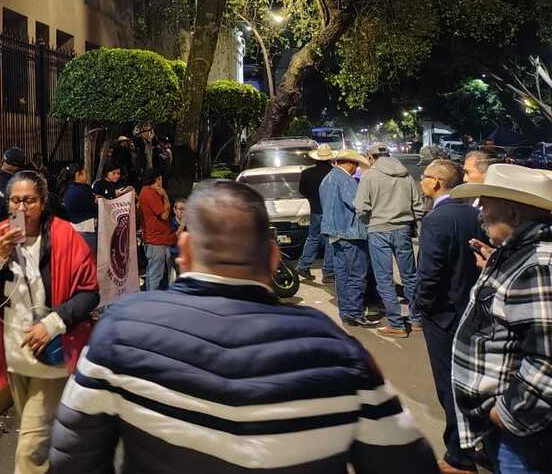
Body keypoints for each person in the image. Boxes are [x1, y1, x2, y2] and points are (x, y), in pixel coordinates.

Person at [50, 179, 438, 472]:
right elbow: (405, 460)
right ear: (272, 257)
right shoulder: (338, 350)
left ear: (183, 252)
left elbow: (72, 455)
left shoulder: (120, 332)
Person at [0, 170, 99, 474]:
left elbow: (89, 292)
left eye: (29, 201)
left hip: (51, 354)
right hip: (13, 354)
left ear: (43, 204)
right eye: (15, 201)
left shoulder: (65, 236)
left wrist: (53, 322)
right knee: (37, 436)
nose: (21, 209)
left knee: (30, 445)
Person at [449, 164, 552, 472]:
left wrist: (506, 414)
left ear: (516, 215)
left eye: (486, 204)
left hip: (522, 434)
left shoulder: (538, 265)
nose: (479, 213)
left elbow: (547, 362)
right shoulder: (522, 254)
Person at [415, 159, 486, 474]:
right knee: (475, 383)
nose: (420, 182)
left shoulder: (436, 220)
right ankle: (479, 444)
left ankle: (459, 455)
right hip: (474, 312)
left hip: (444, 316)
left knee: (449, 386)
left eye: (424, 177)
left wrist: (422, 306)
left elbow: (429, 274)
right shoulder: (476, 214)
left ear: (436, 183)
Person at [355, 150, 425, 336]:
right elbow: (418, 205)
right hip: (403, 229)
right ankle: (416, 319)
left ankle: (396, 324)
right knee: (409, 276)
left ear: (372, 157)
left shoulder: (369, 176)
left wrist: (369, 219)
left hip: (378, 229)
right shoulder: (406, 175)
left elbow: (361, 207)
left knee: (384, 280)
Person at [320, 150, 378, 327]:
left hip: (334, 232)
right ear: (350, 163)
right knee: (357, 274)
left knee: (342, 274)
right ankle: (354, 312)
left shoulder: (327, 179)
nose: (357, 169)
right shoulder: (345, 179)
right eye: (356, 166)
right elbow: (357, 204)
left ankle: (346, 312)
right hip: (350, 232)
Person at [297, 144, 336, 283]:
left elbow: (302, 191)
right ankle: (328, 272)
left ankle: (303, 265)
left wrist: (313, 199)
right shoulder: (334, 173)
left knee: (313, 238)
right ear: (330, 158)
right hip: (330, 211)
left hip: (315, 210)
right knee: (330, 241)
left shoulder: (306, 173)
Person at [138, 169, 174, 291]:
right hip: (156, 239)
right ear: (155, 179)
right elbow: (164, 215)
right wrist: (165, 196)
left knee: (157, 272)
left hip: (159, 238)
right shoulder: (149, 193)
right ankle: (151, 300)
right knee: (155, 274)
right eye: (159, 179)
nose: (161, 181)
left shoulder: (148, 192)